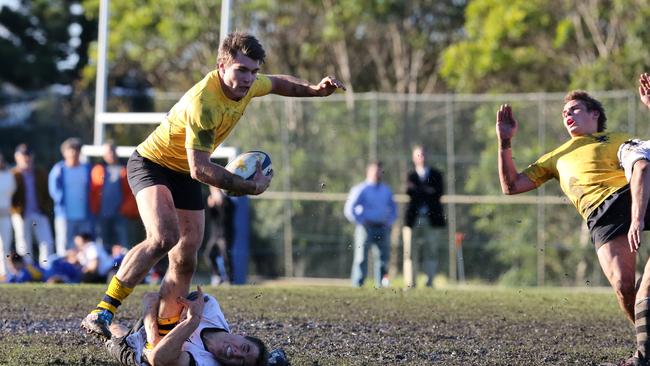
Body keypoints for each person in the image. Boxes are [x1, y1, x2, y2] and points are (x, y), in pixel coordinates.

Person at [82, 31, 346, 339]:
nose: (249, 78)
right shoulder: (204, 103)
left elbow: (277, 83)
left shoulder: (246, 86)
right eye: (242, 70)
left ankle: (165, 328)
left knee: (186, 256)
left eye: (253, 70)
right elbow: (201, 169)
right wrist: (248, 187)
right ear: (222, 66)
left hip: (185, 171)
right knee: (163, 237)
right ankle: (103, 309)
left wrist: (315, 90)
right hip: (153, 164)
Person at [496, 73, 650, 366]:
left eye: (575, 109)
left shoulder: (617, 138)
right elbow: (511, 186)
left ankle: (644, 355)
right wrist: (505, 142)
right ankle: (647, 343)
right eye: (564, 113)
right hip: (600, 215)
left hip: (630, 194)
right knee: (622, 285)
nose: (567, 115)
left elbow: (643, 161)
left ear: (595, 114)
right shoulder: (556, 156)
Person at [103, 285, 287, 366]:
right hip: (152, 328)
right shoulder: (211, 308)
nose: (237, 353)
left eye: (241, 362)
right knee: (153, 300)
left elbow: (158, 359)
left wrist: (192, 320)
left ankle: (106, 327)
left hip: (137, 351)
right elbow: (154, 298)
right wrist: (155, 335)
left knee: (114, 333)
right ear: (241, 335)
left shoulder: (204, 362)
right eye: (244, 347)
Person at [344, 161, 397, 288]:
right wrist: (361, 221)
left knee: (383, 259)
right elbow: (349, 209)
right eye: (375, 171)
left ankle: (382, 285)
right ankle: (358, 284)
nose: (377, 174)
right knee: (361, 257)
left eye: (379, 171)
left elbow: (394, 209)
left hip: (382, 228)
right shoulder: (361, 189)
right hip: (365, 228)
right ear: (368, 172)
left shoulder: (386, 190)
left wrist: (389, 222)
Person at [402, 145, 446, 288]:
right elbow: (409, 193)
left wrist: (419, 190)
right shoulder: (410, 175)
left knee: (431, 250)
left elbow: (438, 193)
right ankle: (410, 282)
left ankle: (430, 282)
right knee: (410, 251)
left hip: (431, 219)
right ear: (414, 158)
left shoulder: (436, 175)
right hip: (413, 219)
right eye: (419, 155)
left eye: (424, 154)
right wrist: (427, 191)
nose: (422, 158)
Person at [10, 143, 54, 268]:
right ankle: (28, 270)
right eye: (23, 155)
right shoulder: (13, 174)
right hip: (21, 215)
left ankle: (46, 269)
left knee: (47, 242)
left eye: (28, 155)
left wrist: (46, 209)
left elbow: (48, 194)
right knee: (23, 245)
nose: (26, 158)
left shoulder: (40, 173)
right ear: (17, 157)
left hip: (39, 213)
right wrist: (15, 210)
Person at [90, 141, 139, 251]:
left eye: (112, 151)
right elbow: (93, 192)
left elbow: (131, 192)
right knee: (103, 244)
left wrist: (125, 209)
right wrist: (95, 210)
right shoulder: (97, 170)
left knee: (124, 244)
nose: (110, 154)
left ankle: (123, 266)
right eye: (107, 152)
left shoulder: (125, 169)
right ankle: (106, 268)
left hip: (121, 215)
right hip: (102, 215)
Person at [49, 137, 93, 257]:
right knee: (64, 247)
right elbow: (54, 191)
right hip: (65, 216)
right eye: (71, 150)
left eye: (76, 150)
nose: (74, 153)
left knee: (85, 247)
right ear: (64, 152)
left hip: (84, 216)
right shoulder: (59, 170)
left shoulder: (86, 169)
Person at [204, 186, 235, 285]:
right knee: (209, 255)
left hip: (225, 234)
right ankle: (217, 276)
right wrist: (211, 207)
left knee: (226, 256)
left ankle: (230, 279)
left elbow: (226, 218)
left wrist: (222, 204)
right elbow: (209, 218)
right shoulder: (212, 201)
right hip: (215, 235)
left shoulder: (228, 201)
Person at [0, 152, 16, 279]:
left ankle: (4, 272)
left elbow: (10, 193)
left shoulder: (8, 175)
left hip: (5, 215)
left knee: (5, 245)